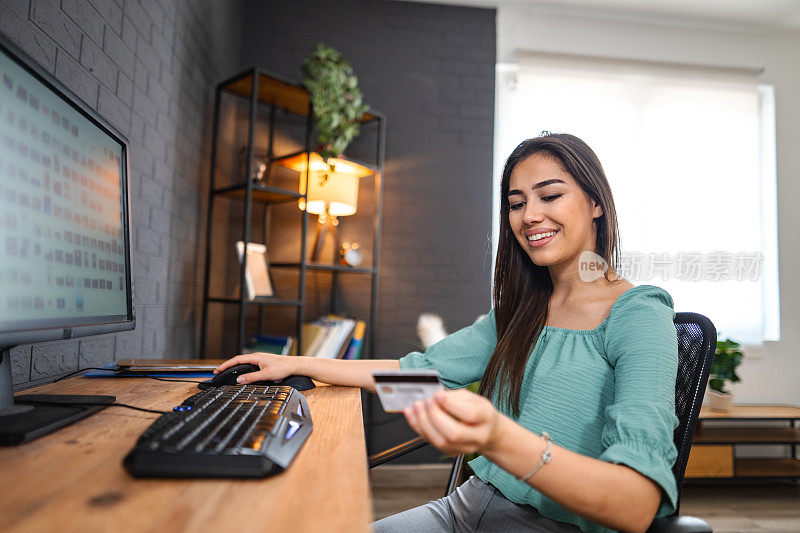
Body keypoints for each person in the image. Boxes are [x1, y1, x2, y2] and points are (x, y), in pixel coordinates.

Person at [214, 133, 679, 533]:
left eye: (550, 196)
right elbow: (416, 375)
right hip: (465, 509)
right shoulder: (520, 312)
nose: (529, 216)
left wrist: (498, 437)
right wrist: (298, 365)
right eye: (516, 204)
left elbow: (635, 507)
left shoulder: (637, 314)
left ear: (596, 203)